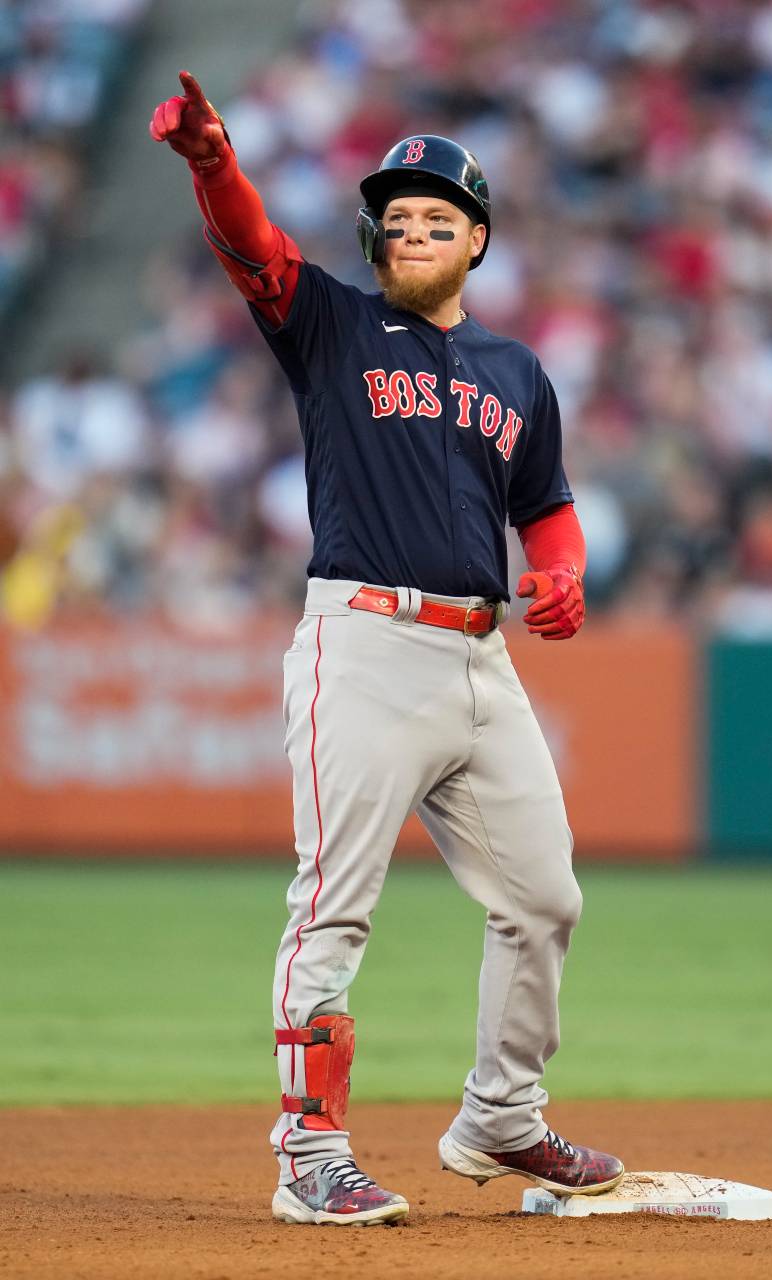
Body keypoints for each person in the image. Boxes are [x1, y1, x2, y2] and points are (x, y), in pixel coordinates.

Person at [150, 71, 624, 1228]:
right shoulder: (330, 323)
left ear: (477, 241)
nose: (409, 226)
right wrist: (216, 162)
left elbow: (546, 502)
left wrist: (560, 573)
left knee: (544, 897)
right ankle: (308, 1150)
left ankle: (500, 1116)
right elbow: (250, 242)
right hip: (362, 643)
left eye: (435, 216)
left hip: (479, 661)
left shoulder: (517, 372)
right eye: (394, 215)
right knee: (333, 902)